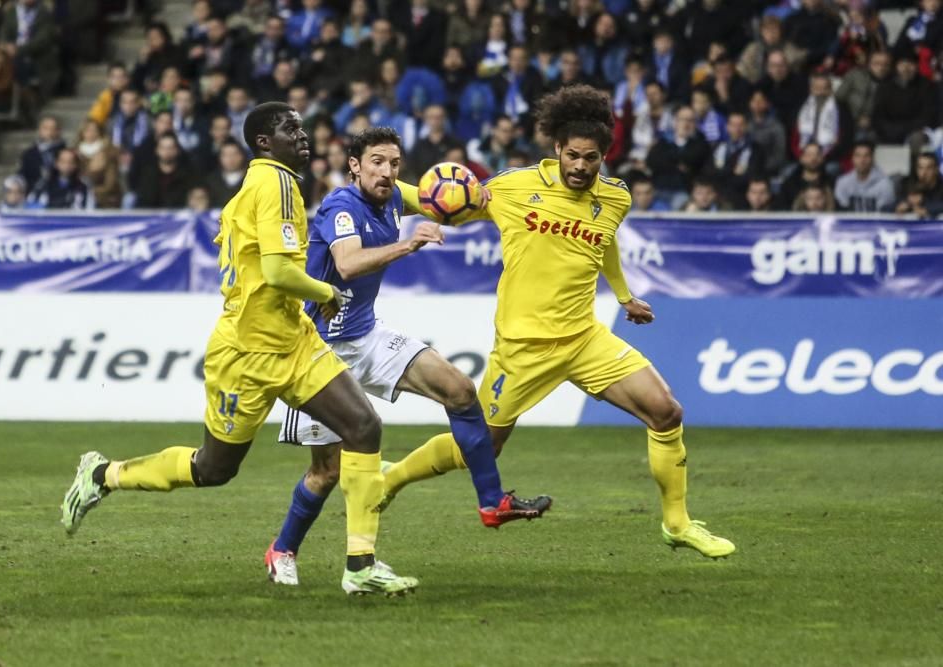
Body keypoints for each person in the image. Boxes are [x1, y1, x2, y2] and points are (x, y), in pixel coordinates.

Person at [60, 102, 419, 596]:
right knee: (213, 469)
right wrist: (327, 292)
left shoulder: (260, 186)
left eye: (301, 125)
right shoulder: (275, 184)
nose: (303, 133)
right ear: (264, 142)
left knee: (363, 427)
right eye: (290, 128)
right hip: (245, 353)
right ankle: (104, 473)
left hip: (291, 340)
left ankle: (360, 564)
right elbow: (277, 273)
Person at [380, 85, 735, 558]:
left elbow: (603, 240)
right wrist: (380, 189)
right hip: (523, 349)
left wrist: (624, 295)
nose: (581, 166)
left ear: (604, 157)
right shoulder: (513, 188)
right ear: (556, 150)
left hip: (585, 339)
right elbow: (439, 202)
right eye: (573, 155)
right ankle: (392, 476)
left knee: (666, 411)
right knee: (481, 448)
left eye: (591, 158)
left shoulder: (615, 199)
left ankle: (677, 523)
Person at [264, 127, 552, 585]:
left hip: (367, 334)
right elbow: (348, 264)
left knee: (460, 391)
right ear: (355, 165)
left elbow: (450, 205)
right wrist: (410, 243)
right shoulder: (341, 207)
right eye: (377, 162)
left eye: (394, 163)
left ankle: (492, 501)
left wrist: (501, 201)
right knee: (326, 471)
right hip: (319, 352)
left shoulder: (395, 194)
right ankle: (282, 549)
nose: (387, 171)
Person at [834, 141, 895, 213]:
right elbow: (842, 213)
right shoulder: (842, 182)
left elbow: (884, 215)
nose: (862, 160)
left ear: (872, 159)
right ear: (852, 159)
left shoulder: (885, 184)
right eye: (858, 156)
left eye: (866, 156)